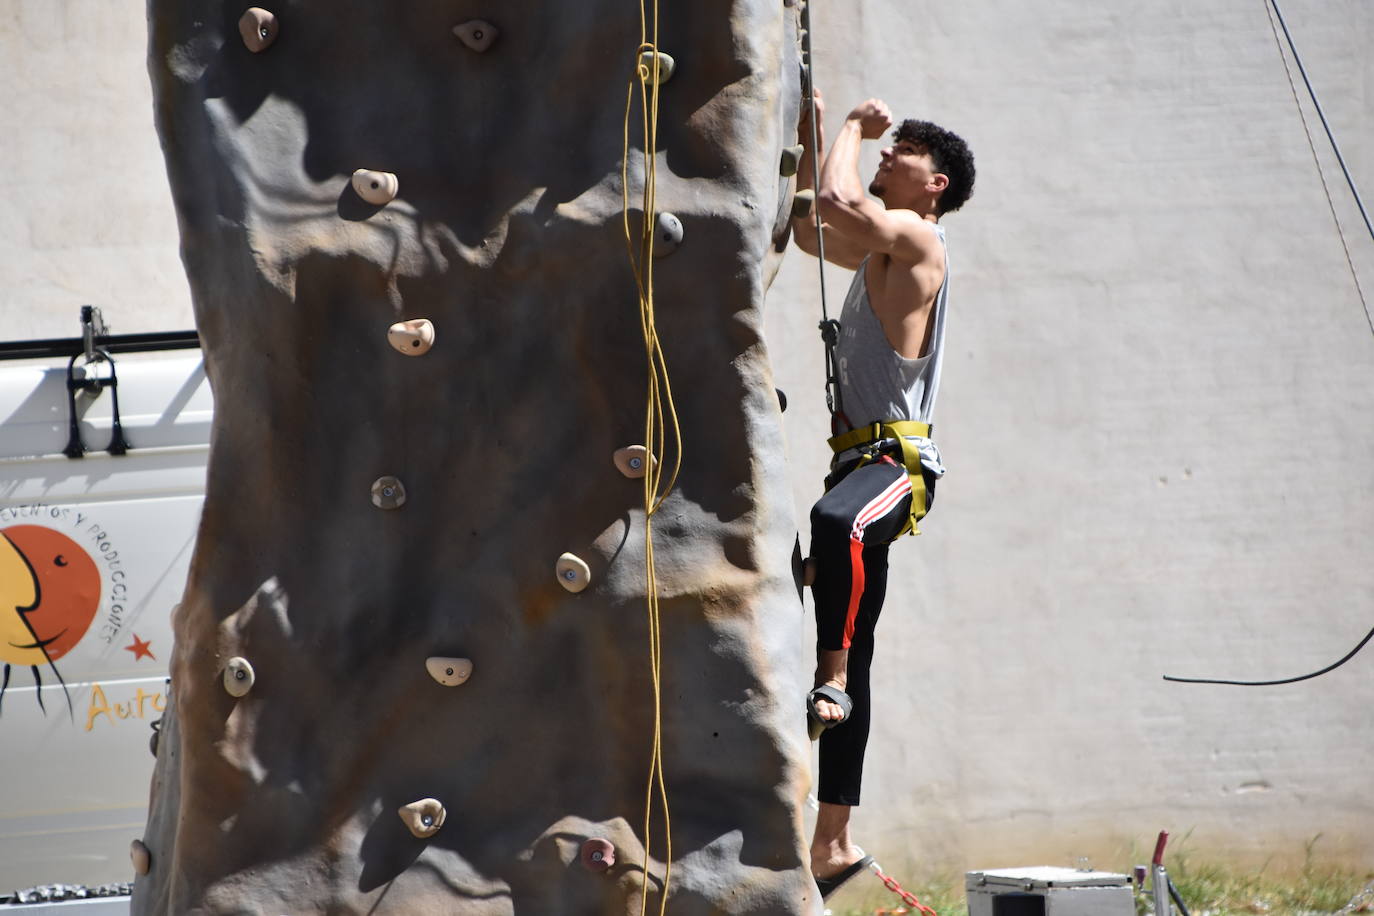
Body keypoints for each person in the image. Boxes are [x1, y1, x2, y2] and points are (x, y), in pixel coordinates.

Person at [790, 89, 975, 899]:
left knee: (836, 523)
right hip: (857, 464)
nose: (889, 153)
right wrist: (812, 136)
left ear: (936, 185)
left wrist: (852, 132)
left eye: (905, 151)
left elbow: (839, 202)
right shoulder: (879, 255)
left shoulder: (921, 239)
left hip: (896, 466)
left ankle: (827, 677)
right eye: (887, 144)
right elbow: (810, 227)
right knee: (860, 637)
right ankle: (833, 842)